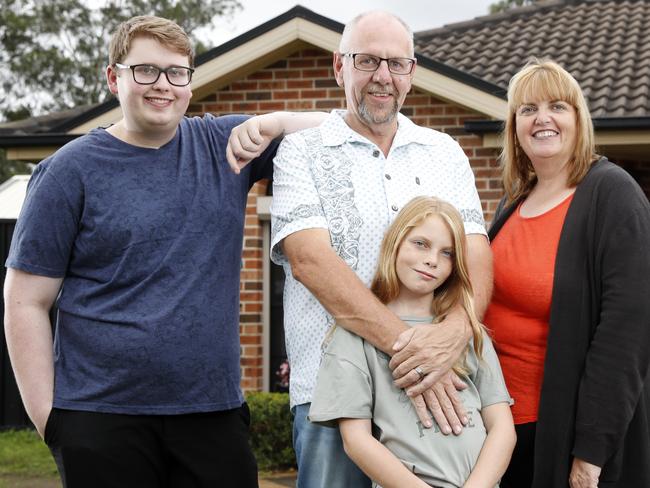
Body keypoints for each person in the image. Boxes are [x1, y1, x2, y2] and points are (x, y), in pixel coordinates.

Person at [3, 15, 323, 488]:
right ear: (115, 78)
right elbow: (24, 299)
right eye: (146, 70)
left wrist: (273, 121)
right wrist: (50, 419)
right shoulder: (68, 172)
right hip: (100, 417)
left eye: (177, 72)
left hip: (211, 412)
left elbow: (338, 132)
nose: (163, 85)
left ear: (190, 83)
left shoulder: (223, 146)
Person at [270, 10, 493, 488]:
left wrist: (456, 330)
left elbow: (475, 257)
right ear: (339, 67)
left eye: (396, 63)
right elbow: (311, 262)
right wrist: (413, 355)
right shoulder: (302, 150)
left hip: (440, 392)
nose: (382, 77)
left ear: (412, 72)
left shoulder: (446, 153)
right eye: (367, 61)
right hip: (332, 395)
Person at [483, 58, 650, 488]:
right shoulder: (513, 202)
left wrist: (591, 452)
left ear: (578, 119)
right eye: (528, 108)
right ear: (515, 127)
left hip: (561, 434)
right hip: (497, 428)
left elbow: (625, 334)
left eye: (557, 106)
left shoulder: (612, 195)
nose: (542, 118)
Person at [309, 196, 516, 488]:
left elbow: (503, 428)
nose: (432, 259)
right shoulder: (354, 336)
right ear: (395, 243)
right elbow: (356, 440)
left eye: (447, 253)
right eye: (421, 244)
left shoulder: (467, 334)